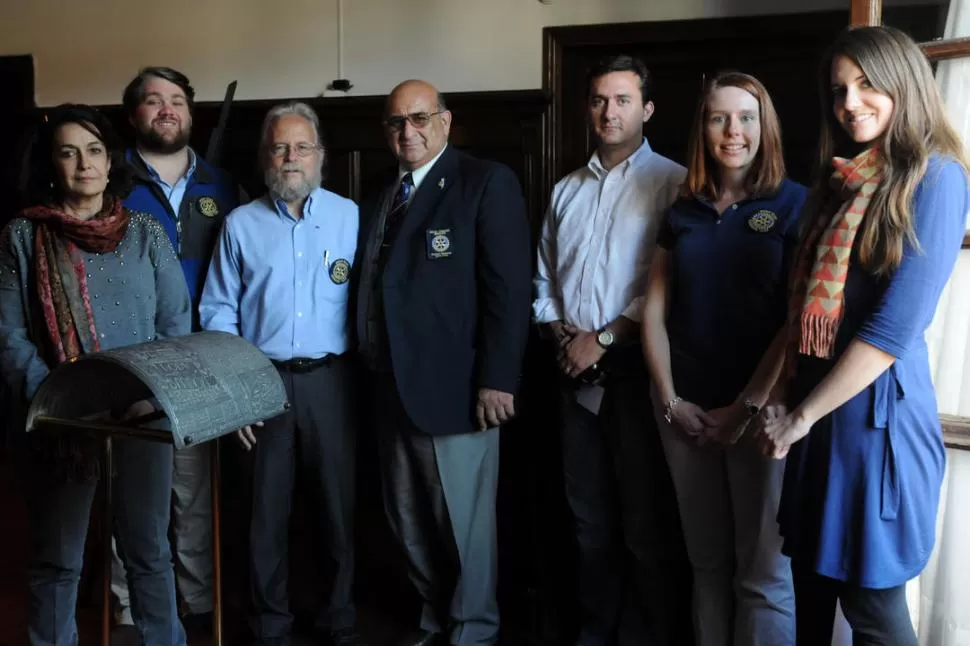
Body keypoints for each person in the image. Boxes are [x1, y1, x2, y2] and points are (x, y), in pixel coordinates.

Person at [754, 26, 970, 645]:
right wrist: (779, 399)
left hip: (878, 429)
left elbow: (891, 330)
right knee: (810, 599)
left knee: (873, 613)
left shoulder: (938, 177)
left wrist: (799, 419)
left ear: (904, 82)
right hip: (818, 414)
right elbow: (801, 315)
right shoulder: (841, 180)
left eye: (868, 83)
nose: (851, 101)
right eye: (839, 89)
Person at [0, 104, 191, 645]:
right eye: (68, 152)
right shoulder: (22, 237)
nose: (84, 164)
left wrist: (145, 397)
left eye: (94, 150)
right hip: (60, 423)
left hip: (142, 417)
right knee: (58, 560)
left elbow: (174, 325)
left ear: (111, 161)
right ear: (51, 165)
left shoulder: (146, 231)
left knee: (149, 553)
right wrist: (60, 400)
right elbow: (9, 337)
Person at [352, 79, 531, 646]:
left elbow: (507, 290)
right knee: (407, 520)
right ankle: (435, 618)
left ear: (446, 122)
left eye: (420, 118)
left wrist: (498, 380)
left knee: (463, 526)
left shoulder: (484, 182)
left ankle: (473, 629)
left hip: (458, 392)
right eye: (396, 122)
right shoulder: (382, 194)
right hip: (386, 386)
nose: (408, 131)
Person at [533, 54, 692, 646]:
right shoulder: (565, 190)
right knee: (587, 521)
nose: (609, 111)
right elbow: (543, 277)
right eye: (600, 99)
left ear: (646, 109)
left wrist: (600, 340)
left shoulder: (674, 183)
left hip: (635, 372)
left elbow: (665, 284)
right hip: (569, 372)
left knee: (644, 526)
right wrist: (563, 337)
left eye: (623, 100)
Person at [641, 71, 804, 646]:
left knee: (763, 576)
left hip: (761, 418)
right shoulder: (683, 208)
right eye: (718, 118)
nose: (732, 131)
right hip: (686, 414)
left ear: (766, 128)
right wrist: (670, 402)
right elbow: (654, 313)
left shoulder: (793, 203)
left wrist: (746, 406)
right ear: (703, 128)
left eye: (746, 117)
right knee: (707, 565)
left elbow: (796, 322)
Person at [199, 102, 361, 646]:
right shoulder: (240, 225)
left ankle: (338, 617)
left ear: (321, 157)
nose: (291, 157)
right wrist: (236, 394)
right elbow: (218, 313)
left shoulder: (350, 216)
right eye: (280, 147)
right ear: (266, 155)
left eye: (302, 147)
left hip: (331, 383)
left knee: (337, 508)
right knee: (264, 513)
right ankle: (271, 625)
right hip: (261, 382)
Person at [112, 66, 241, 629]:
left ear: (191, 113)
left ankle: (197, 606)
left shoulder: (225, 185)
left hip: (200, 366)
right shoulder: (109, 182)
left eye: (177, 100)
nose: (166, 109)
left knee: (194, 496)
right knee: (131, 497)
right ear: (133, 114)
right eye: (152, 100)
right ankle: (124, 608)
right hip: (129, 368)